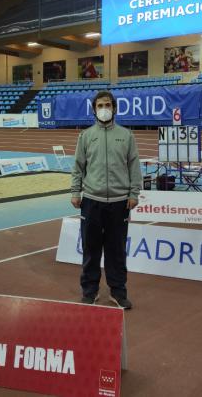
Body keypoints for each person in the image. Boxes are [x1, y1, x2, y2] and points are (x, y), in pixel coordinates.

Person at [70, 90, 141, 310]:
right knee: (91, 250)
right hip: (91, 201)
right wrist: (75, 191)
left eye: (107, 105)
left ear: (115, 108)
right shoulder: (86, 136)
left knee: (117, 250)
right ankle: (89, 292)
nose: (104, 109)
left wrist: (133, 193)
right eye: (100, 105)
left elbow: (134, 166)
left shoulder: (126, 135)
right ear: (94, 110)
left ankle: (118, 293)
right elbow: (78, 166)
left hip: (120, 203)